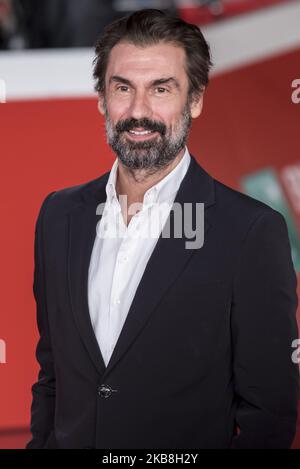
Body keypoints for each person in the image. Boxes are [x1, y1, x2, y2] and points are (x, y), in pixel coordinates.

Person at [26, 9, 299, 449]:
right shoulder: (59, 217)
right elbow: (52, 379)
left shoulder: (250, 231)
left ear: (194, 100)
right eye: (123, 88)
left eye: (161, 89)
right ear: (101, 98)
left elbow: (270, 415)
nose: (138, 112)